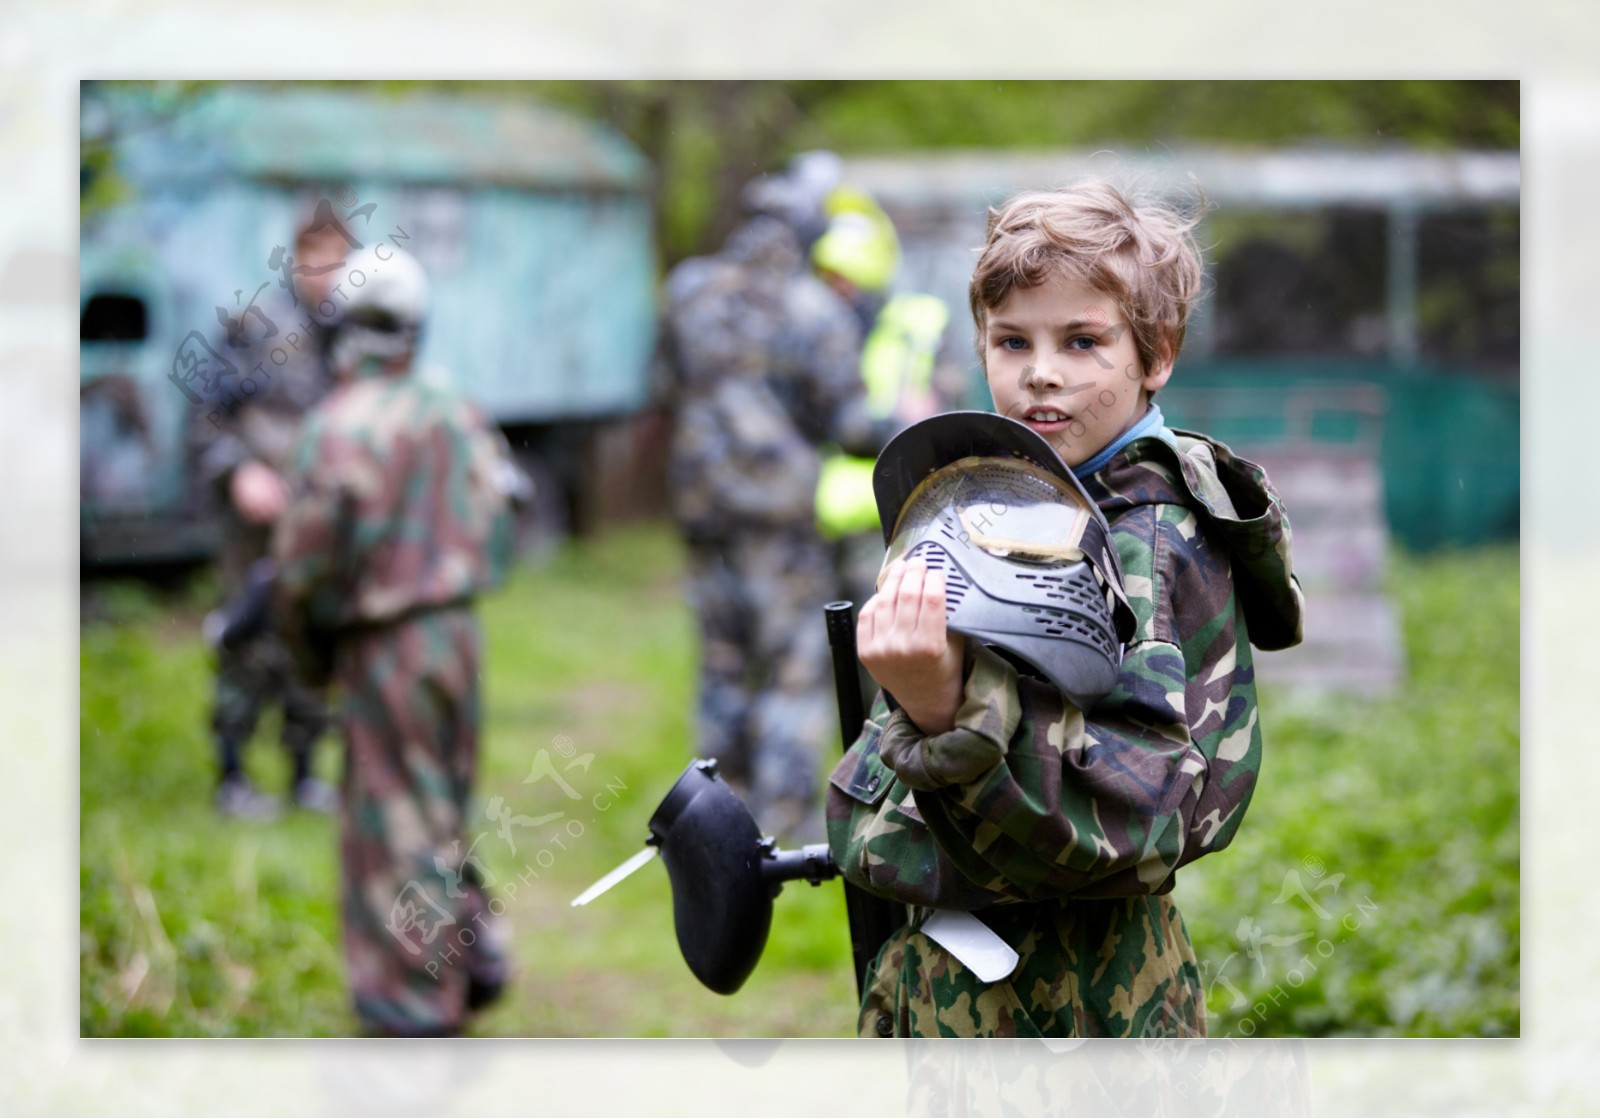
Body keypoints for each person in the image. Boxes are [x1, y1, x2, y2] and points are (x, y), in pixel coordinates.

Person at [826, 181, 1305, 1038]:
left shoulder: (1144, 540)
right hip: (958, 985)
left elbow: (1141, 813)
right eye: (1012, 341)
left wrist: (946, 706)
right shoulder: (1022, 505)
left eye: (1082, 341)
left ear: (1155, 355)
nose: (1040, 371)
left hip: (1069, 1005)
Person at [272, 245, 518, 1037]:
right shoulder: (455, 406)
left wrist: (309, 660)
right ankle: (474, 957)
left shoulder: (338, 423)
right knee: (442, 804)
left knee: (392, 825)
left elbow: (305, 567)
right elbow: (503, 516)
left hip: (384, 644)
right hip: (458, 632)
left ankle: (414, 1008)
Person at [660, 166, 898, 842]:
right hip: (780, 519)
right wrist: (905, 431)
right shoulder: (812, 309)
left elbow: (667, 379)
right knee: (794, 673)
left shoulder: (688, 291)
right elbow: (849, 424)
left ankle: (713, 822)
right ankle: (782, 825)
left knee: (722, 666)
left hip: (703, 509)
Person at [189, 213, 349, 818]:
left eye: (338, 263)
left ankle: (305, 775)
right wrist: (239, 470)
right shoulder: (253, 325)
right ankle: (232, 776)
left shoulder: (347, 331)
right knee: (244, 638)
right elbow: (205, 414)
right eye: (317, 261)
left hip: (314, 521)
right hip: (254, 519)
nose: (326, 276)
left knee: (310, 639)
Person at [810, 185, 971, 610]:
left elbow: (943, 423)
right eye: (828, 280)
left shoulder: (918, 326)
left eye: (845, 280)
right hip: (814, 520)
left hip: (891, 520)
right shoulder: (809, 331)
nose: (836, 290)